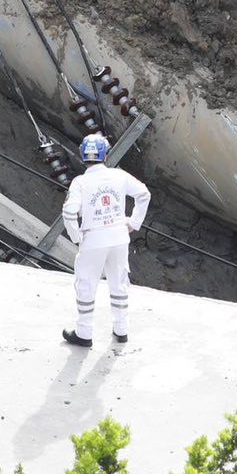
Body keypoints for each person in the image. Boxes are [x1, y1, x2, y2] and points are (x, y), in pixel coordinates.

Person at [60, 132, 150, 348]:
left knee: (86, 284)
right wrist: (133, 223)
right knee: (119, 281)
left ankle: (84, 332)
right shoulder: (119, 176)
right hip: (119, 237)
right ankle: (121, 329)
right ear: (106, 156)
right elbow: (144, 194)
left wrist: (76, 237)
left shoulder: (80, 182)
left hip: (93, 239)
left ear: (83, 157)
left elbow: (69, 212)